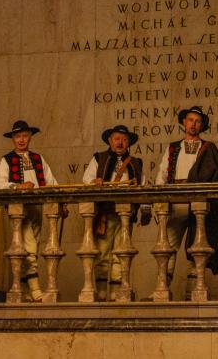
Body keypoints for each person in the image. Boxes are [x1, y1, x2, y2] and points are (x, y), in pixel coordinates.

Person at [152, 105, 218, 299]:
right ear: (184, 122)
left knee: (197, 247)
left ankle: (193, 291)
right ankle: (161, 288)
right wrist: (160, 200)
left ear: (202, 125)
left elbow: (217, 176)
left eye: (197, 121)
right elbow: (162, 174)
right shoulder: (173, 148)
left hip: (198, 204)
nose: (193, 124)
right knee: (167, 247)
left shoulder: (208, 148)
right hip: (175, 203)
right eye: (190, 120)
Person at [0, 119, 58, 302]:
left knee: (31, 248)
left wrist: (61, 203)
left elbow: (52, 182)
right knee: (29, 248)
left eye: (24, 136)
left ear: (30, 137)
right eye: (17, 136)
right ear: (12, 139)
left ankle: (24, 289)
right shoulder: (6, 160)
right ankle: (36, 290)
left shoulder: (38, 159)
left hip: (37, 208)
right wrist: (17, 186)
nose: (21, 140)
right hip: (18, 210)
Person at [82, 124, 146, 301]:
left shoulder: (136, 163)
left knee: (121, 253)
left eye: (124, 139)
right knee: (102, 254)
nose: (120, 142)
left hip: (126, 215)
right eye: (117, 139)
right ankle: (102, 292)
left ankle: (116, 293)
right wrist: (95, 181)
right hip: (105, 213)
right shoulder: (99, 158)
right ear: (110, 140)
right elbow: (86, 179)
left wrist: (144, 209)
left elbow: (143, 187)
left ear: (129, 143)